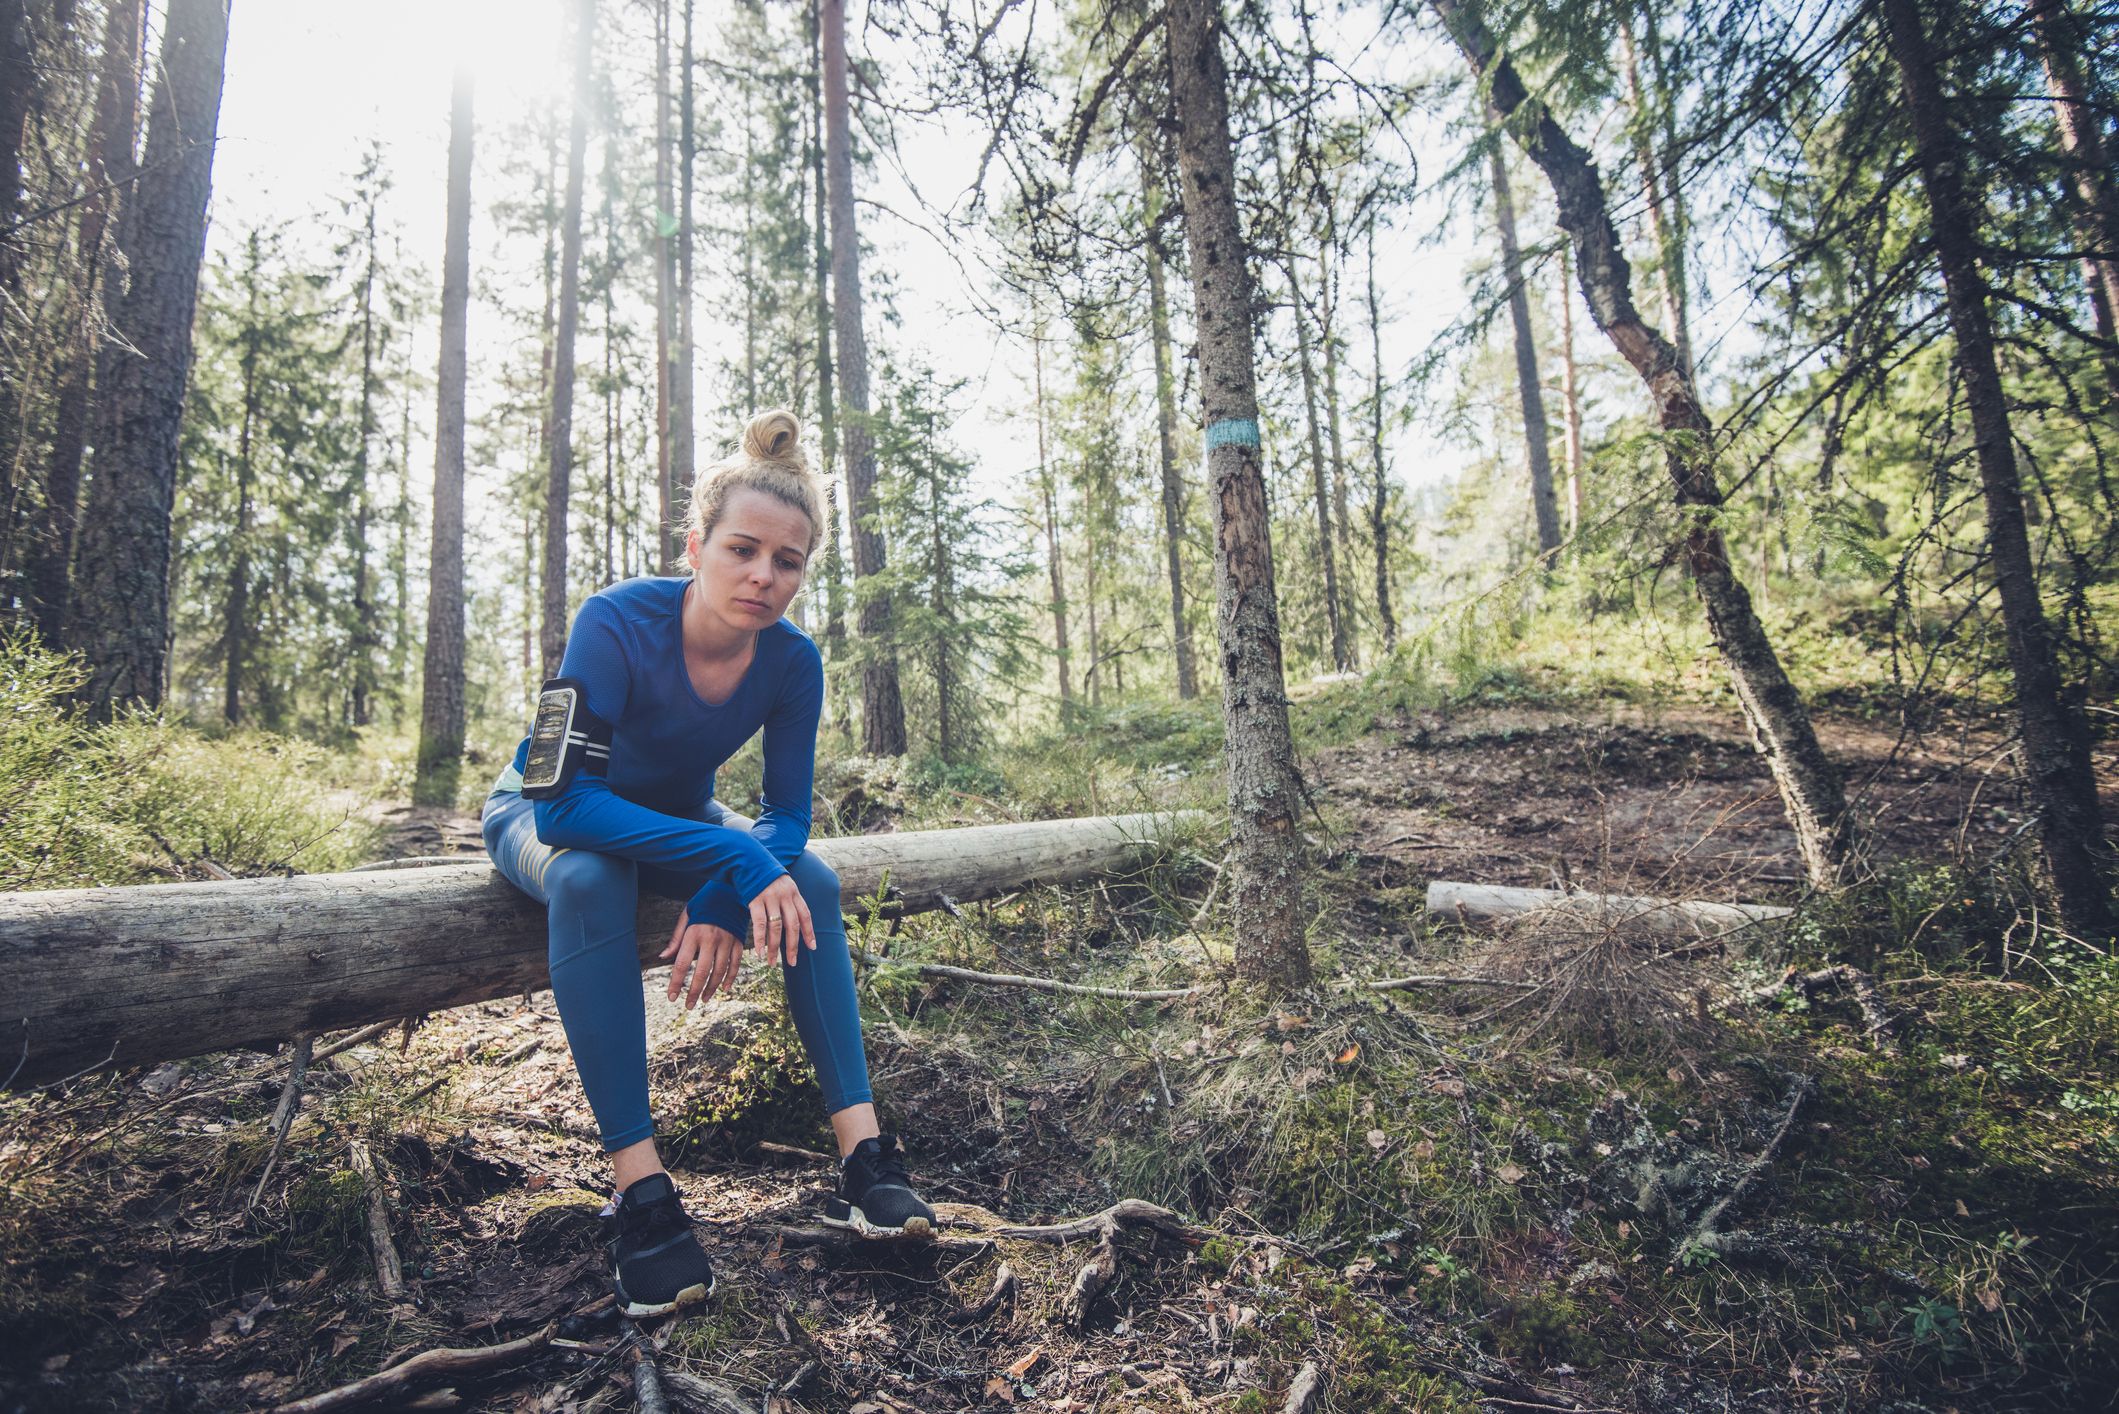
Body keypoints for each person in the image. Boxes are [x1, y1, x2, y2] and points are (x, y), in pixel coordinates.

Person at [481, 409, 934, 1318]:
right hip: (544, 818)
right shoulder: (612, 619)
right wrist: (730, 853)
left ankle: (863, 1157)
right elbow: (560, 801)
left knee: (809, 880)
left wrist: (730, 890)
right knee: (588, 875)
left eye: (788, 561)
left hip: (681, 823)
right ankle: (640, 1193)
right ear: (696, 545)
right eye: (741, 550)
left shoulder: (792, 661)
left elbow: (790, 819)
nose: (763, 576)